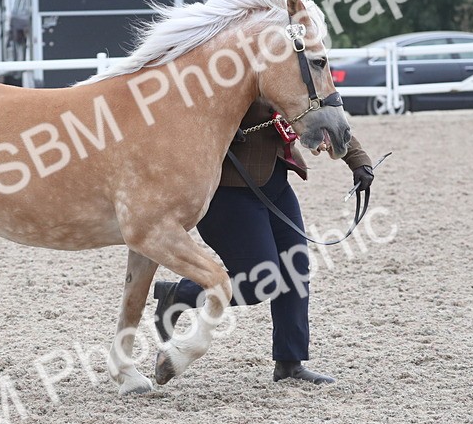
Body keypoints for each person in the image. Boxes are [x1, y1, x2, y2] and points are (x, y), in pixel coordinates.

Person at [153, 102, 376, 384]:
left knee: (296, 269)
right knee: (263, 281)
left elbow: (316, 104)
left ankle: (289, 363)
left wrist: (358, 160)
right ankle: (181, 294)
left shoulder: (283, 68)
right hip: (227, 190)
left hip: (275, 182)